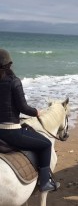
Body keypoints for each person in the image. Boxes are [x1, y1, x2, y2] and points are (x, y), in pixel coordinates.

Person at [0, 49, 59, 192]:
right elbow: (23, 107)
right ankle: (45, 182)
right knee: (45, 144)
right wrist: (36, 112)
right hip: (10, 132)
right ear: (10, 64)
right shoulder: (14, 82)